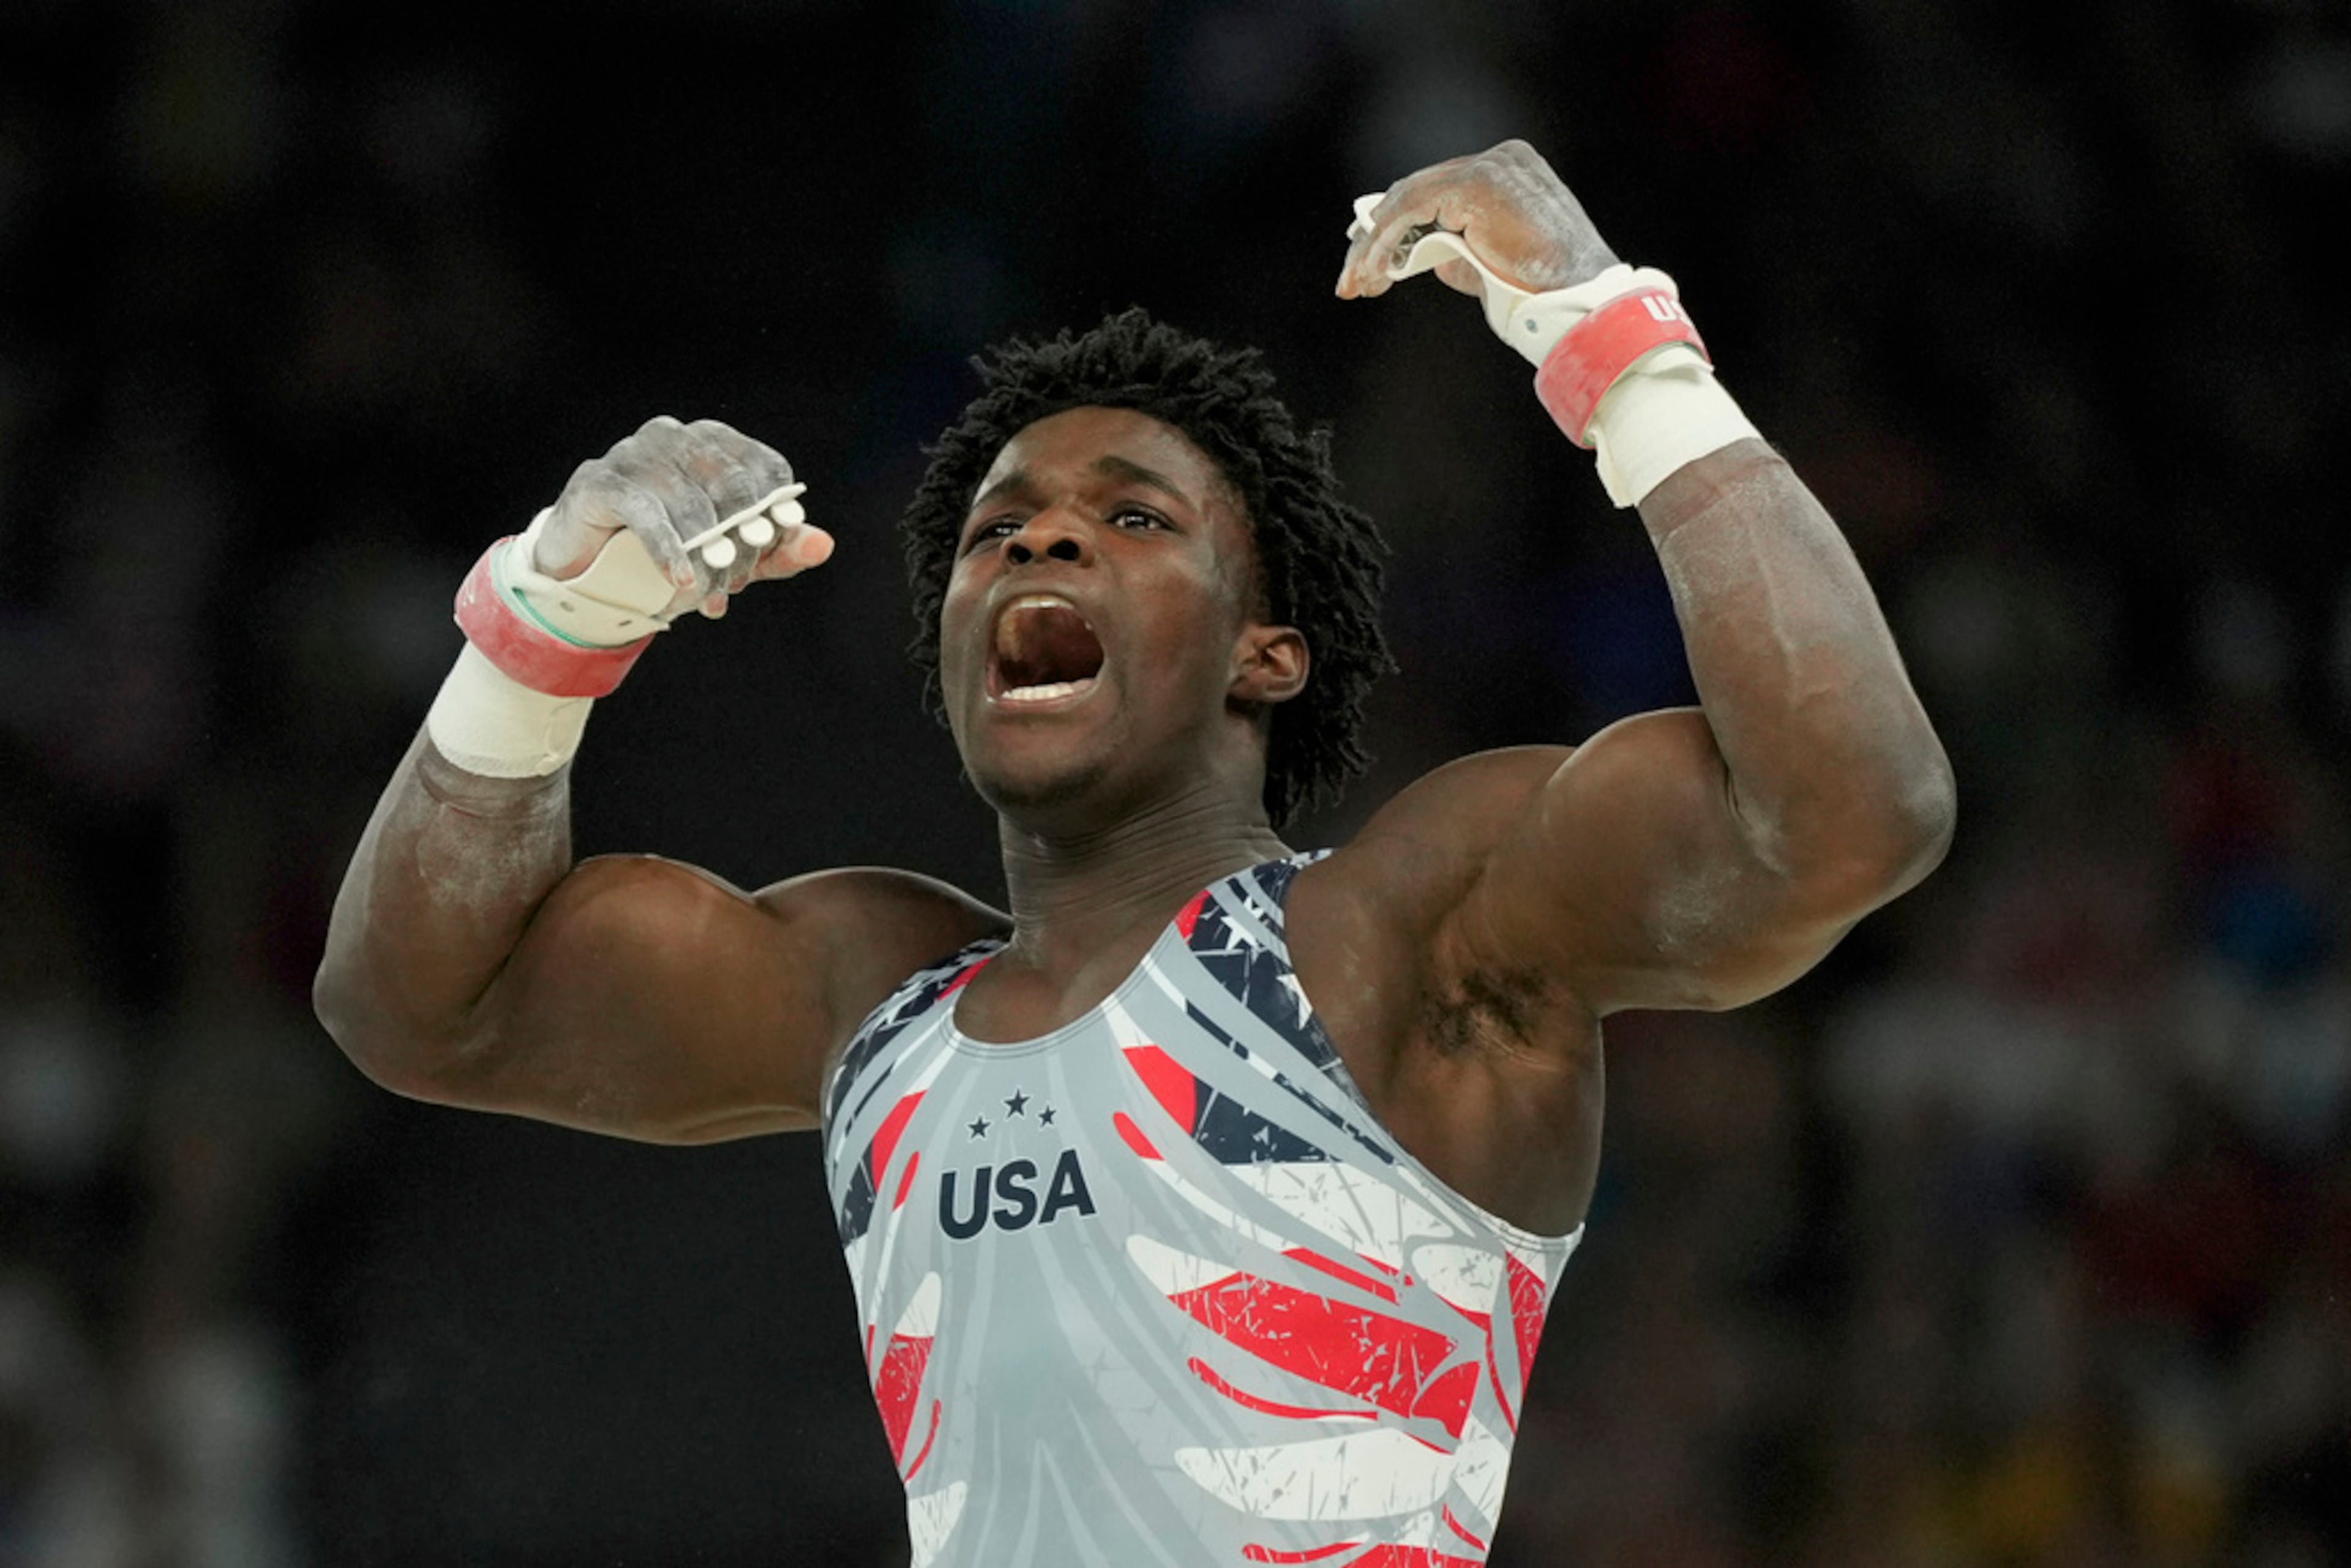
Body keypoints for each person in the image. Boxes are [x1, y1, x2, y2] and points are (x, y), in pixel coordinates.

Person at [315, 141, 1954, 1566]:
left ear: (1265, 652)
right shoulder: (872, 997)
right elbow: (421, 1006)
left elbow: (1846, 810)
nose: (1040, 533)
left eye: (1136, 516)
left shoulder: (1412, 930)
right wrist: (543, 625)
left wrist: (1621, 345)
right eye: (997, 530)